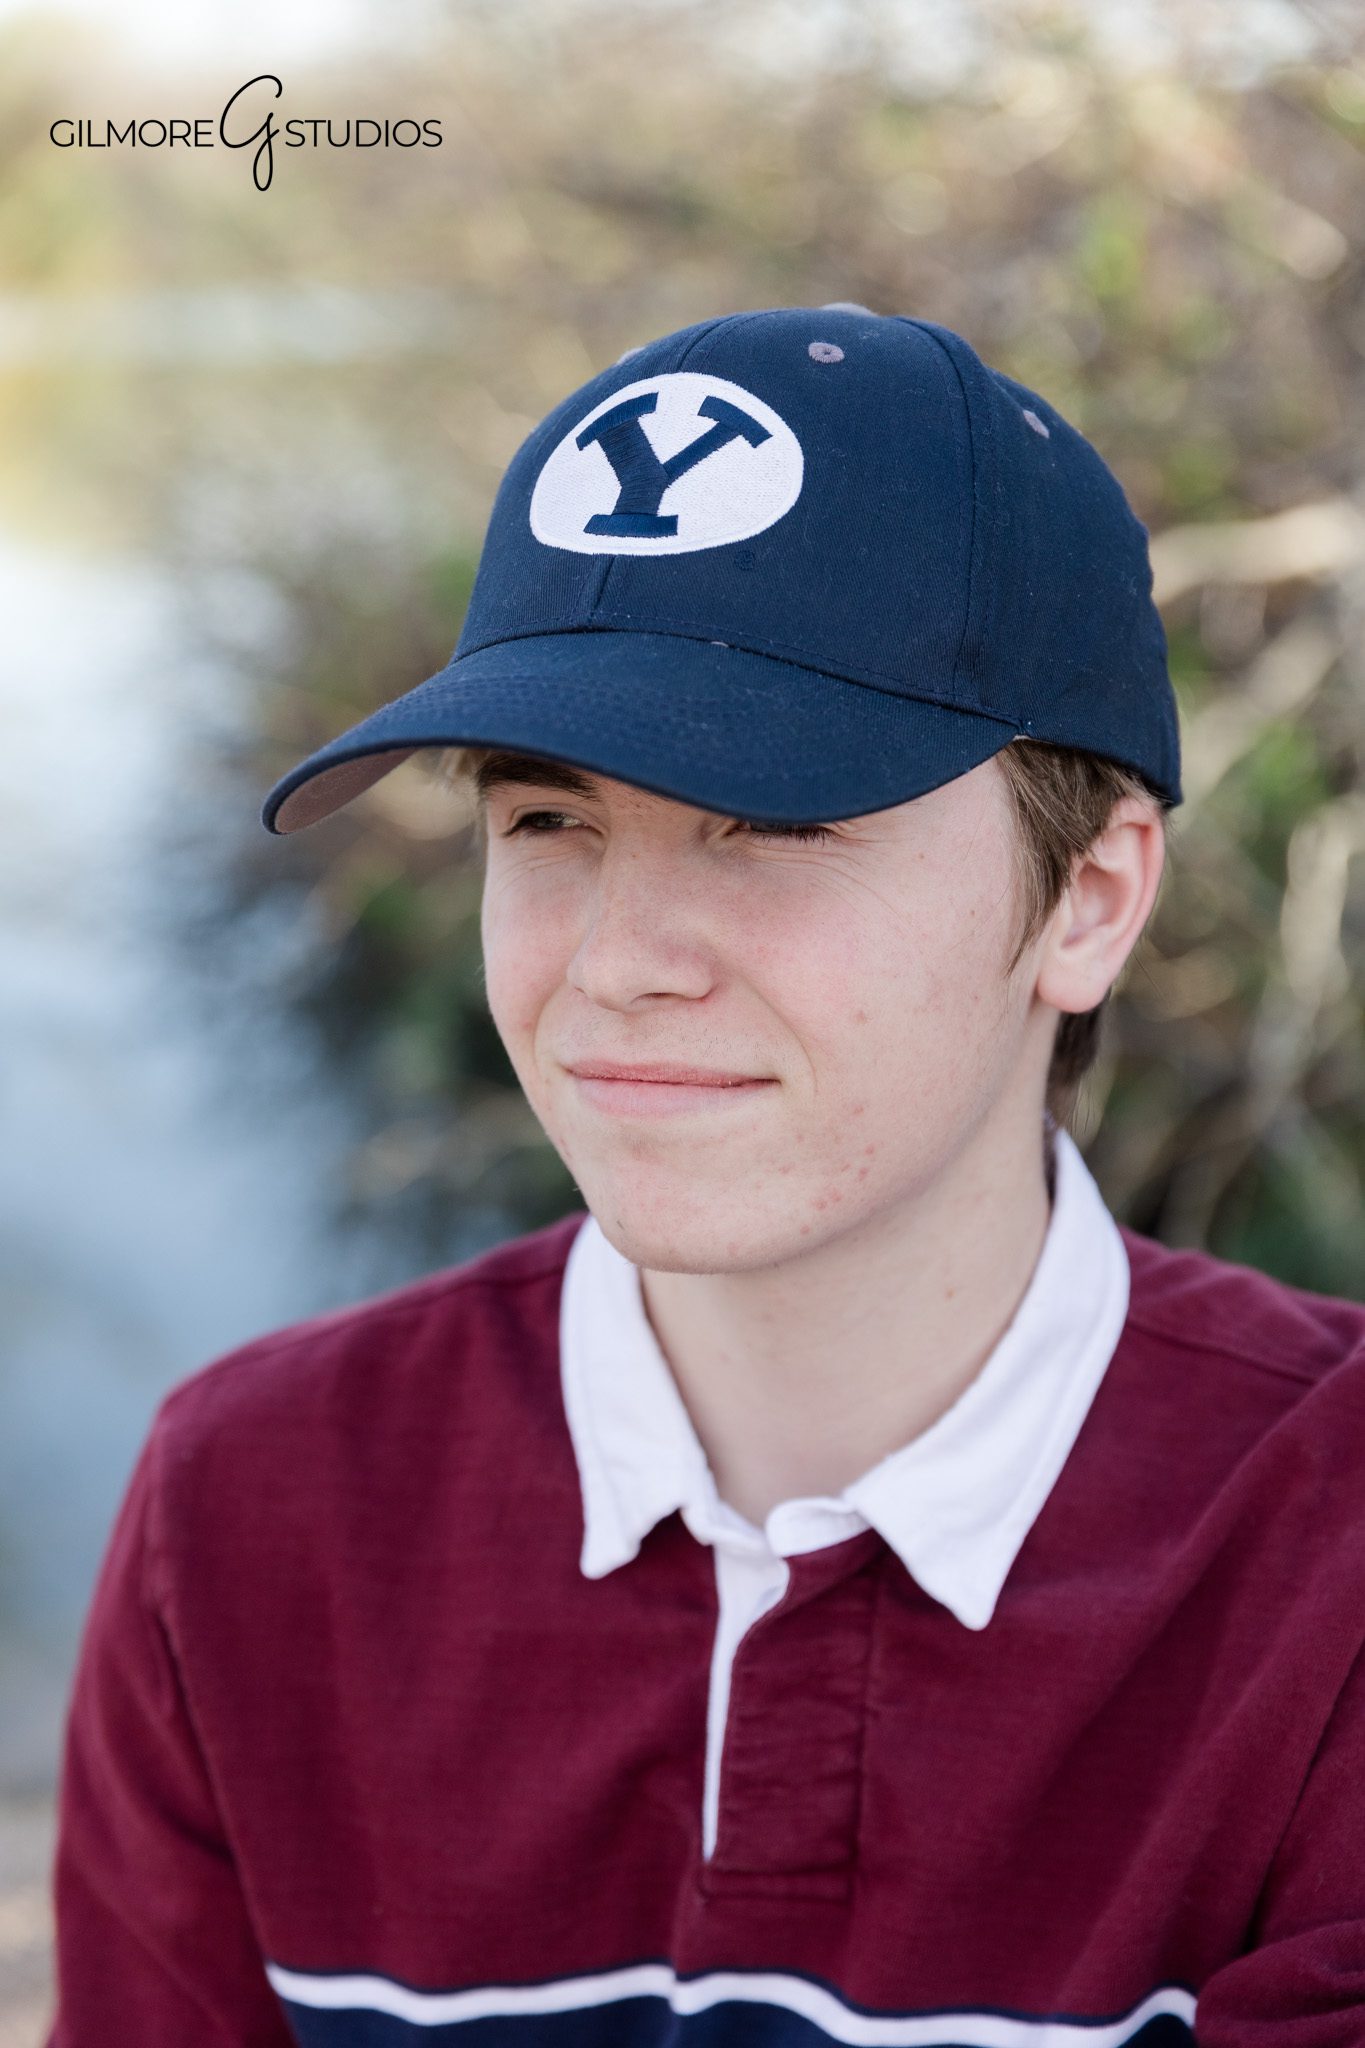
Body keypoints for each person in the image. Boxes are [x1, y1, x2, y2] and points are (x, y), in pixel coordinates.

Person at [47, 306, 1365, 2046]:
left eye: (778, 820)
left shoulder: (1327, 1553)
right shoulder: (251, 1508)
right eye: (547, 821)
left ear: (1089, 900)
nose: (617, 962)